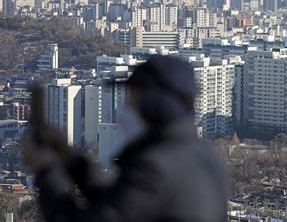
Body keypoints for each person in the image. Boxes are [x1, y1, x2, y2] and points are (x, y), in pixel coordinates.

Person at [23, 55, 230, 222]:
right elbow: (117, 205)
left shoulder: (155, 166)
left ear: (155, 104)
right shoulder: (201, 156)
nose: (125, 108)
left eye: (132, 99)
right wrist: (69, 158)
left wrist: (46, 170)